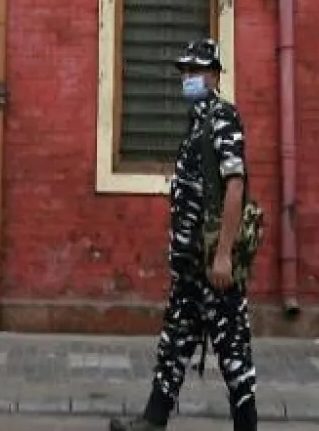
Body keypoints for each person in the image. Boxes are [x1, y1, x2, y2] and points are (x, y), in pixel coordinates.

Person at [111, 37, 257, 431]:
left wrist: (224, 253)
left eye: (195, 71)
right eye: (185, 72)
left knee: (232, 351)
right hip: (190, 263)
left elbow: (236, 185)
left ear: (213, 75)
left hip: (213, 262)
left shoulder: (222, 117)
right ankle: (153, 419)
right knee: (174, 341)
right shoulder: (196, 123)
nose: (188, 78)